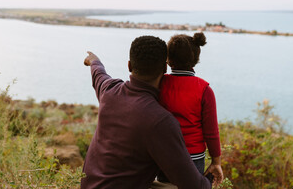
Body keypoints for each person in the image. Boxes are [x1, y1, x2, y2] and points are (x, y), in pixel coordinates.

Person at [81, 36, 212, 189]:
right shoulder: (160, 121)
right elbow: (193, 185)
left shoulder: (109, 91)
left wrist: (94, 61)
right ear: (164, 69)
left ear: (129, 65)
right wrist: (210, 177)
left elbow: (99, 74)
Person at [157, 32, 223, 186]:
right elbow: (211, 132)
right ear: (196, 59)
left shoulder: (160, 84)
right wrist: (216, 162)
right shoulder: (204, 89)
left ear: (168, 59)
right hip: (193, 158)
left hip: (163, 154)